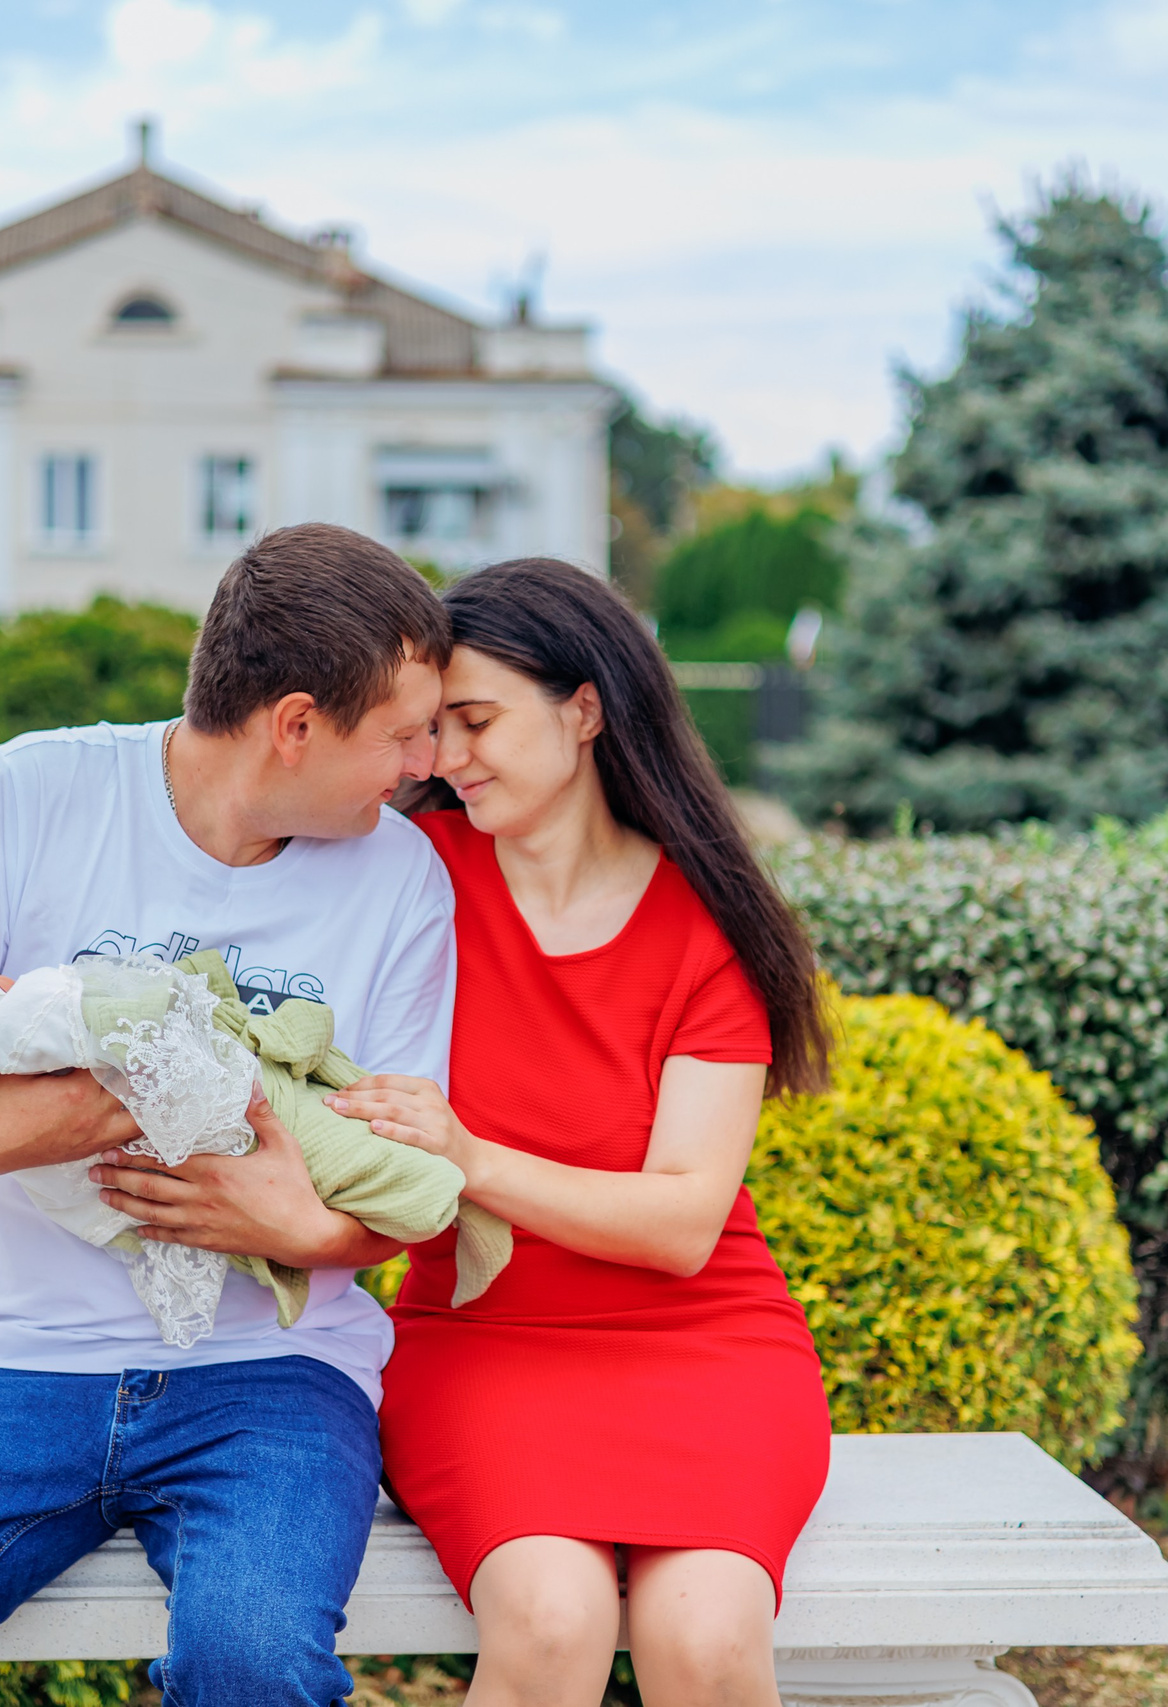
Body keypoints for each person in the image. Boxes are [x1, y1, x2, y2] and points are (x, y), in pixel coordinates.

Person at [0, 523, 450, 1707]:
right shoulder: (34, 792)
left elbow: (394, 1192)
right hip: (21, 1367)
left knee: (254, 1670)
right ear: (295, 723)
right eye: (402, 731)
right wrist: (43, 1129)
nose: (426, 761)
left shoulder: (402, 883)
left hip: (273, 1379)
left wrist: (294, 1225)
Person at [329, 558, 836, 1707]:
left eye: (475, 722)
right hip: (485, 1346)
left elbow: (680, 1225)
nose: (443, 760)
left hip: (707, 1349)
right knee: (552, 1623)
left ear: (585, 709)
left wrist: (471, 1157)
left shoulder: (710, 926)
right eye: (430, 730)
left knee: (704, 1640)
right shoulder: (410, 880)